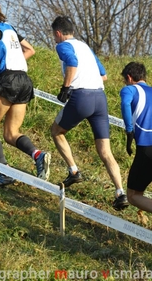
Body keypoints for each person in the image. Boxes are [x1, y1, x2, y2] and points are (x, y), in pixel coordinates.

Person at [50, 15, 128, 211]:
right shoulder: (85, 46)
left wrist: (65, 88)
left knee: (56, 131)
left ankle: (74, 171)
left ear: (58, 33)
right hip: (99, 99)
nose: (54, 39)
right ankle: (120, 193)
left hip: (81, 96)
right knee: (105, 151)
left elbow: (72, 63)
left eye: (54, 36)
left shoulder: (63, 45)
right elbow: (104, 75)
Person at [0, 0, 51, 186]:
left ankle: (4, 172)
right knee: (11, 133)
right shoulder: (9, 28)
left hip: (8, 80)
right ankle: (38, 155)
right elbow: (30, 50)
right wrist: (14, 64)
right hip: (24, 80)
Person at [120, 61, 152, 213]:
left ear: (129, 77)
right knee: (139, 192)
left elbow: (125, 104)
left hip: (147, 148)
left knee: (132, 195)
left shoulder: (130, 90)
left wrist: (129, 130)